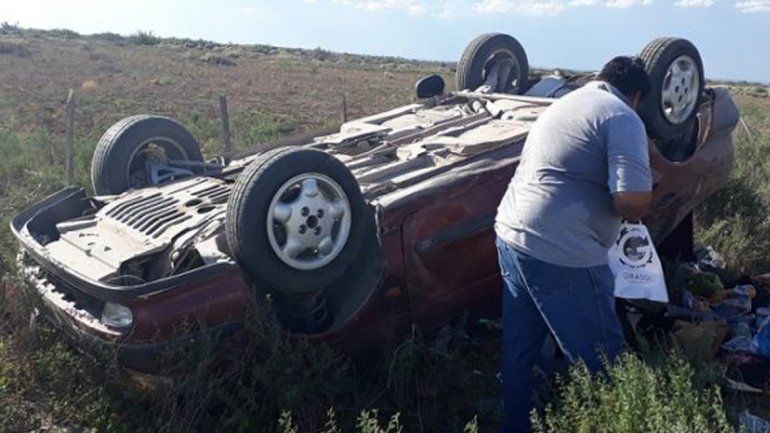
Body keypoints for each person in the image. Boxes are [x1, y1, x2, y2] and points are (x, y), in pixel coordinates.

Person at [494, 56, 653, 433]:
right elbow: (629, 201)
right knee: (602, 360)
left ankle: (516, 425)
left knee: (521, 350)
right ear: (636, 95)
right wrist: (650, 197)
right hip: (561, 250)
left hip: (512, 233)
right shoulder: (623, 115)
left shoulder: (566, 103)